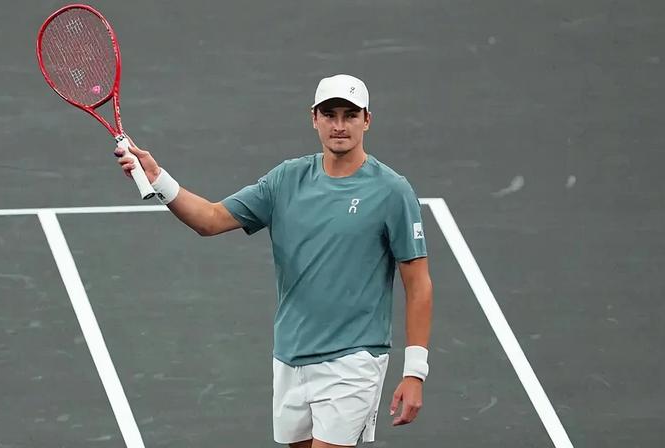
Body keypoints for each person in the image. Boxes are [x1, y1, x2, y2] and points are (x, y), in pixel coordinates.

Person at [115, 74, 433, 448]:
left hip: (353, 361)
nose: (340, 125)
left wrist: (415, 372)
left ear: (367, 120)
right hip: (290, 356)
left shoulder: (392, 191)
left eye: (350, 115)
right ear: (314, 118)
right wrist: (158, 177)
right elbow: (211, 220)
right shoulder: (286, 179)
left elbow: (419, 283)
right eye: (330, 114)